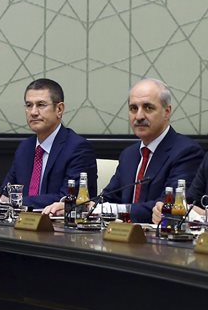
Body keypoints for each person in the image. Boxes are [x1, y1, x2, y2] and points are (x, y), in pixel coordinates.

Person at [76, 78, 202, 222]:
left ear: (167, 112)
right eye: (133, 108)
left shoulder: (187, 152)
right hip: (122, 236)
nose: (139, 116)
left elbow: (168, 206)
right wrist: (86, 206)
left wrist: (113, 209)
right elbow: (108, 196)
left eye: (148, 108)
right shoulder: (129, 154)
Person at [0, 79, 96, 210]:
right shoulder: (25, 148)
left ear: (59, 109)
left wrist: (14, 201)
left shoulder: (78, 148)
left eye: (41, 105)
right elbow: (6, 191)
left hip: (60, 226)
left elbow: (67, 198)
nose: (33, 112)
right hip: (21, 224)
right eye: (29, 105)